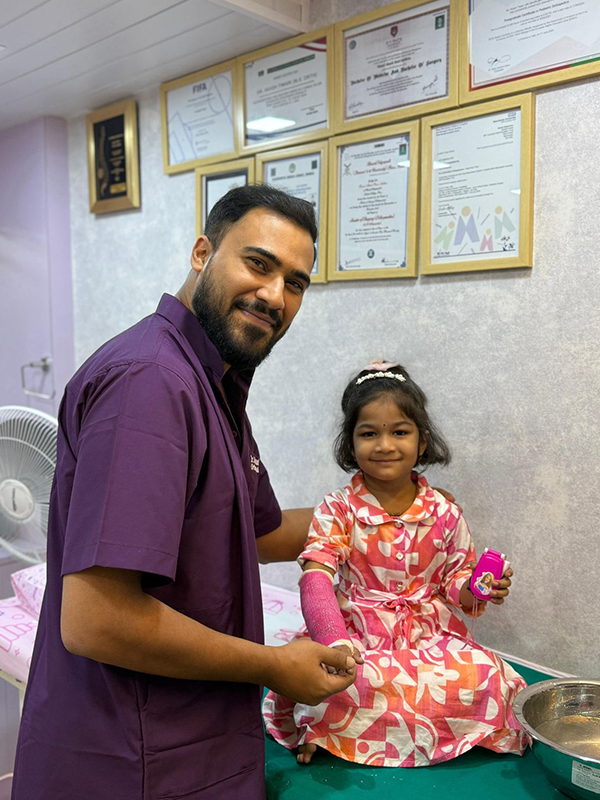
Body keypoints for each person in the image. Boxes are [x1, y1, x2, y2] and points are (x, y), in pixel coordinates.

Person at [11, 185, 359, 800]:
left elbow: (256, 531)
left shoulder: (213, 380)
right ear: (203, 253)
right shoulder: (151, 383)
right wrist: (274, 666)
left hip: (192, 744)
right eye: (258, 263)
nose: (274, 295)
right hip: (132, 760)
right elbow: (96, 620)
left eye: (296, 283)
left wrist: (388, 514)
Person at [263, 361, 528, 767]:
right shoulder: (337, 509)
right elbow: (316, 578)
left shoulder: (444, 512)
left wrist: (478, 588)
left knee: (489, 675)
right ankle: (322, 730)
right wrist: (335, 641)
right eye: (369, 433)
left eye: (400, 432)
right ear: (350, 444)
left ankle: (346, 730)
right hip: (356, 637)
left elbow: (455, 582)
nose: (385, 445)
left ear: (422, 442)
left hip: (430, 640)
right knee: (334, 679)